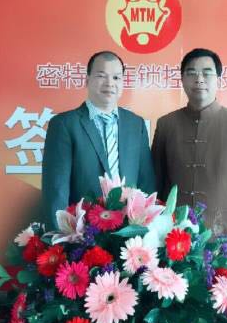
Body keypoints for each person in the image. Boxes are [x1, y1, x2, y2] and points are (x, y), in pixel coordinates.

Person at [152, 48, 227, 249]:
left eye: (207, 73)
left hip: (223, 243)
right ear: (182, 80)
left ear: (218, 80)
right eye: (191, 73)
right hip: (173, 243)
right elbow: (157, 187)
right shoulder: (166, 124)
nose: (199, 79)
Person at [42, 51, 155, 225]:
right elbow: (56, 190)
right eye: (101, 76)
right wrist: (60, 234)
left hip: (130, 229)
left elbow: (146, 182)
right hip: (84, 230)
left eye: (116, 78)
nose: (110, 83)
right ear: (87, 80)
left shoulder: (136, 124)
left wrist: (148, 229)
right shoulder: (64, 124)